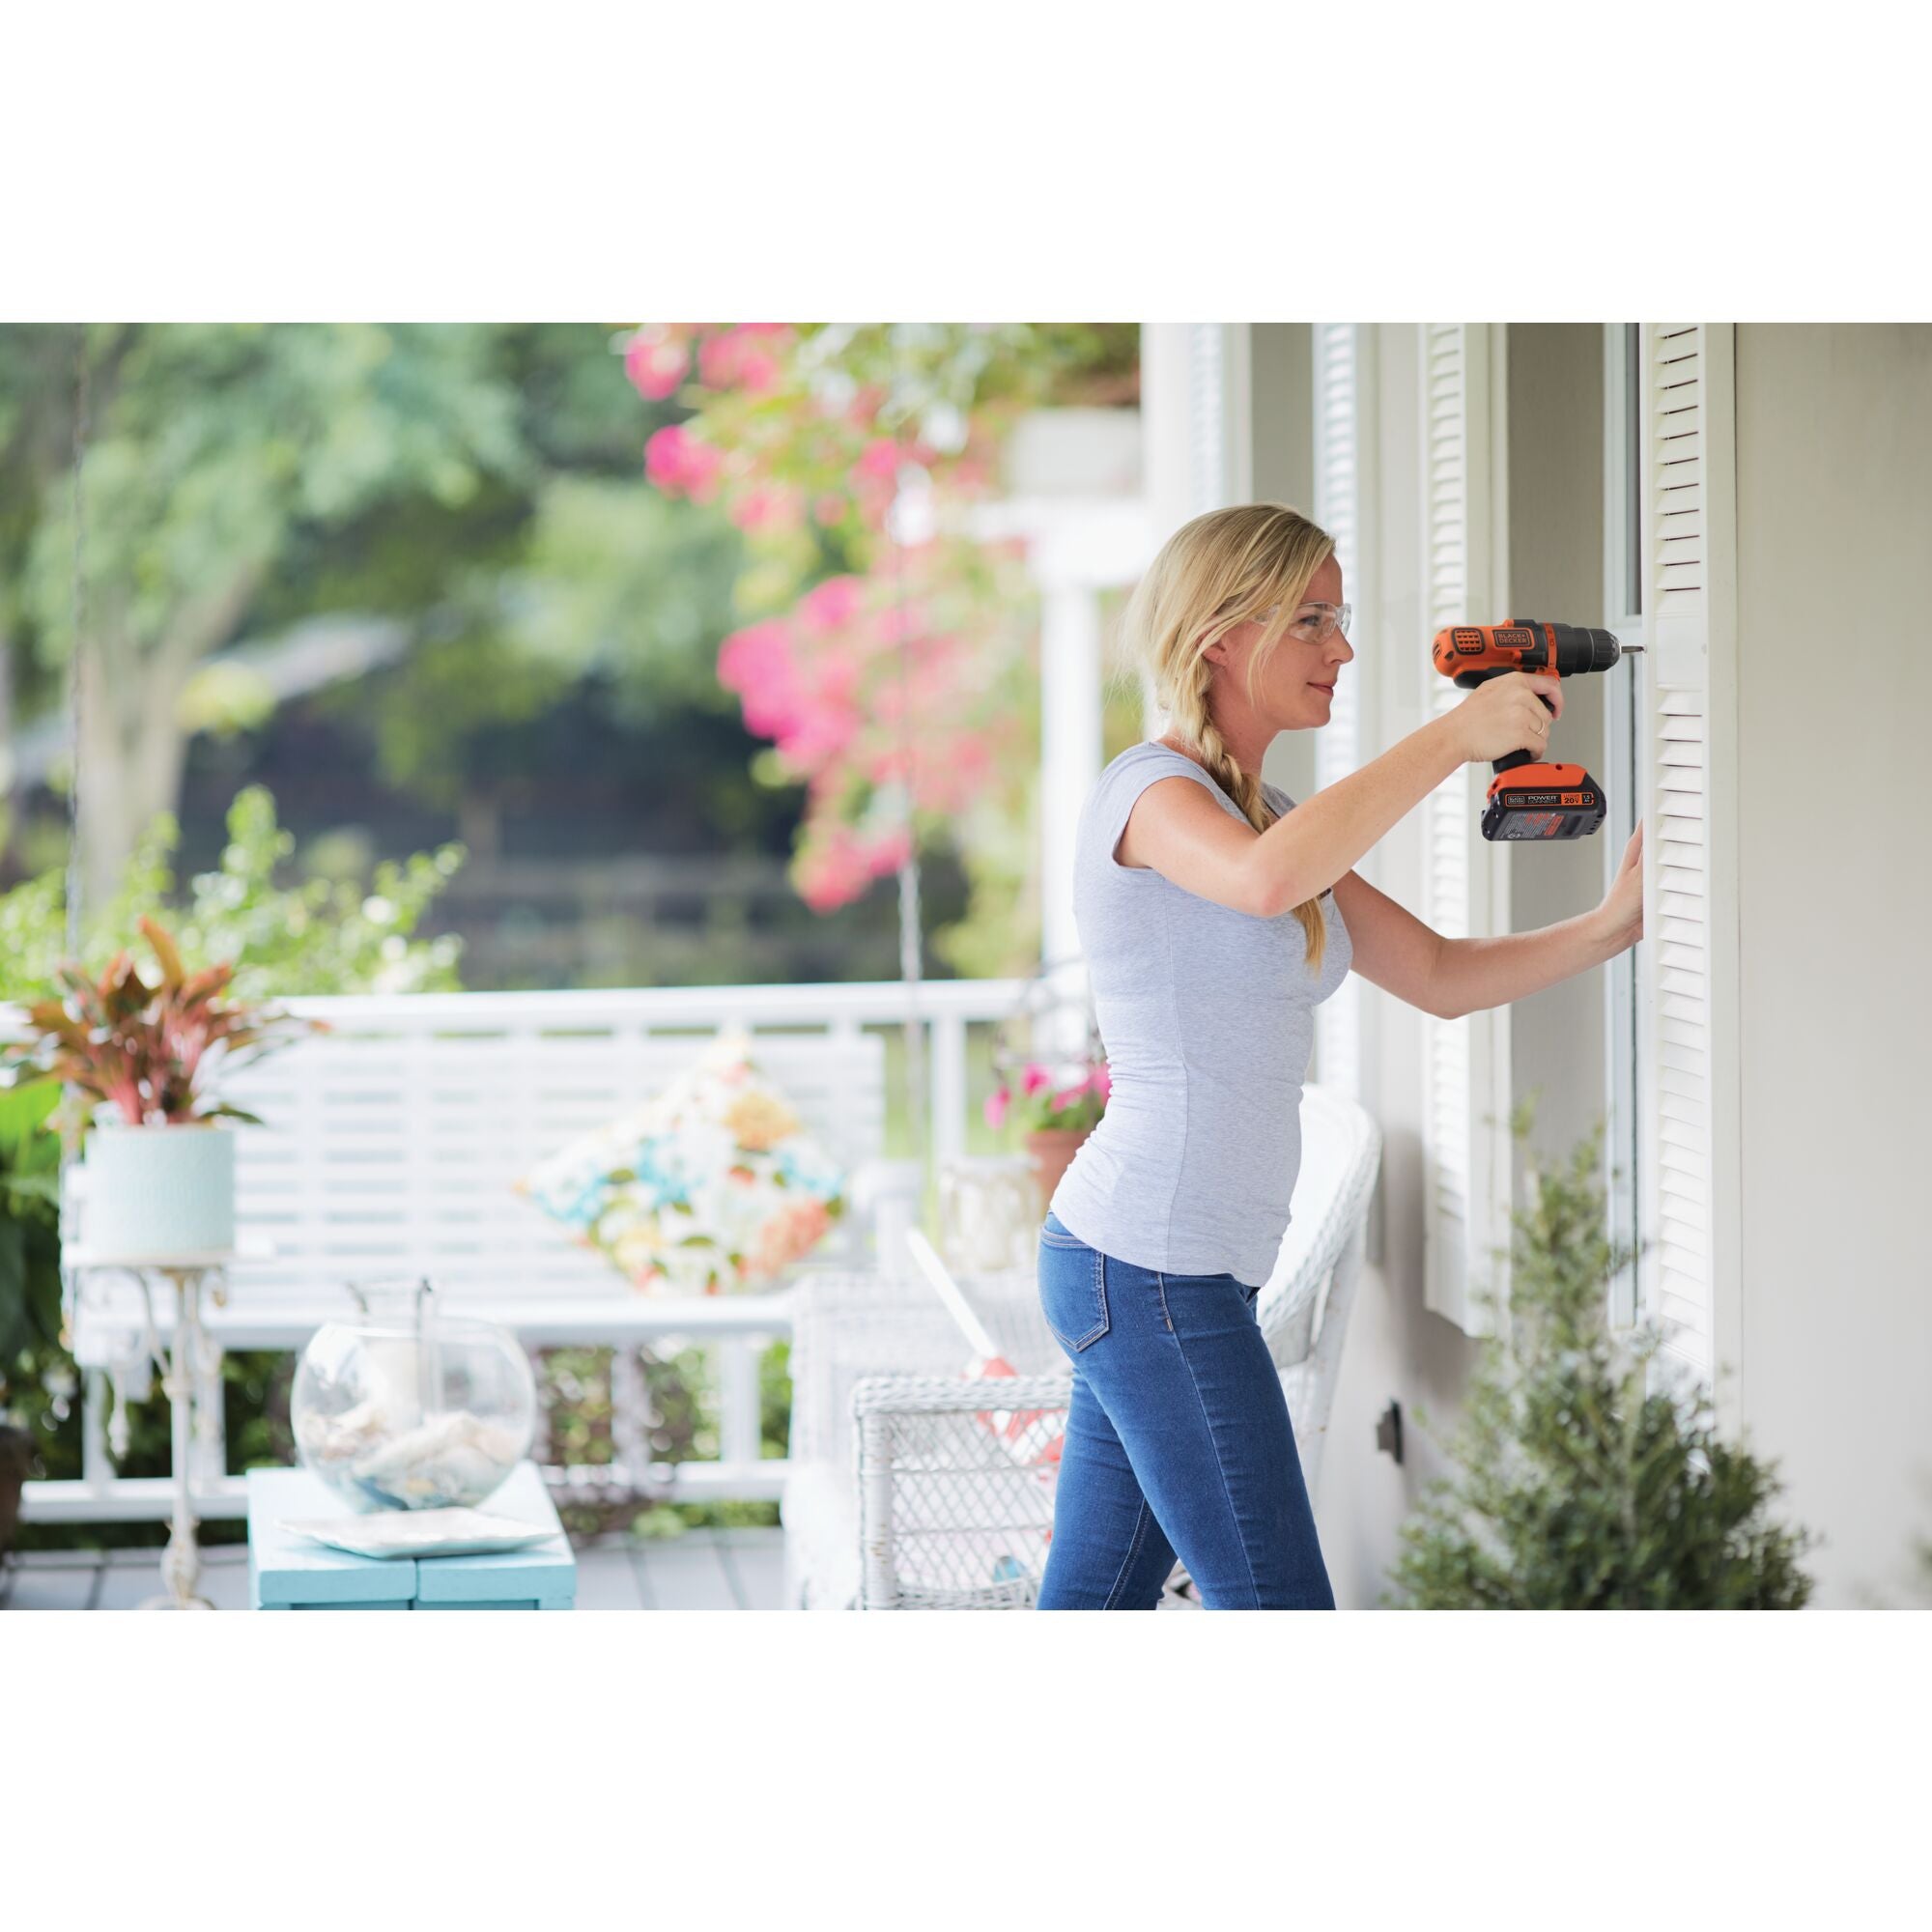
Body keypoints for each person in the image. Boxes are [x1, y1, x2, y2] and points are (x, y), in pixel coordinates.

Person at [1037, 502, 1645, 1609]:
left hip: (1165, 1272)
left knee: (1092, 1608)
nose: (1343, 648)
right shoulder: (1150, 795)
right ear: (1220, 633)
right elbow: (1263, 879)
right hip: (1149, 1266)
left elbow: (1439, 975)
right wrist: (1453, 736)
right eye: (1310, 619)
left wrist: (1608, 925)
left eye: (1339, 616)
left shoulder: (1264, 809)